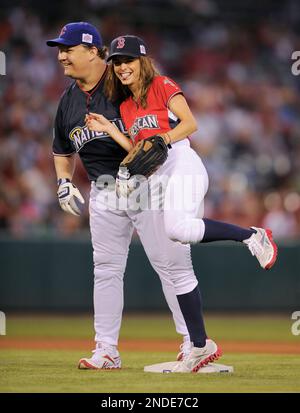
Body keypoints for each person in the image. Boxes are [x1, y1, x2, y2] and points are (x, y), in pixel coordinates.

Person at [86, 34, 278, 372]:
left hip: (182, 164)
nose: (122, 67)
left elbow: (190, 124)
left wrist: (163, 137)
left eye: (128, 60)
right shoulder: (126, 106)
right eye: (116, 62)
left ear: (142, 61)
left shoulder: (161, 84)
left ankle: (252, 236)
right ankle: (200, 346)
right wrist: (109, 129)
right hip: (158, 177)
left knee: (177, 229)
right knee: (171, 262)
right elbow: (137, 150)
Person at [46, 22, 200, 371]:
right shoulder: (67, 101)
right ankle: (106, 350)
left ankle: (194, 342)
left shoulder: (124, 82)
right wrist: (63, 181)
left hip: (146, 182)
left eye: (68, 49)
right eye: (60, 49)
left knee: (170, 263)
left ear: (93, 51)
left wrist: (174, 167)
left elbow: (170, 125)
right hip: (104, 191)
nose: (61, 56)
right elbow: (61, 149)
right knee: (106, 270)